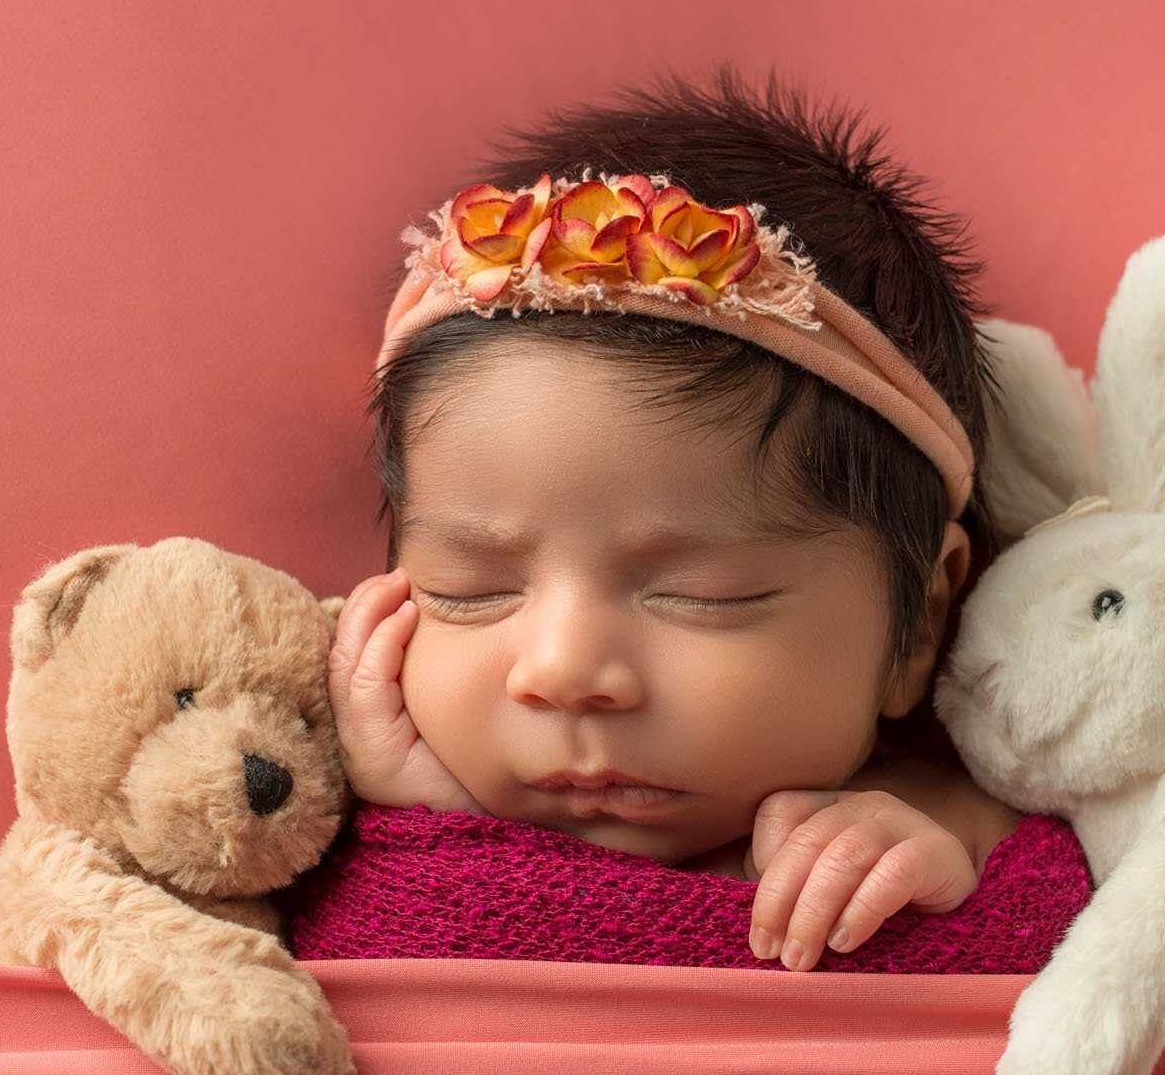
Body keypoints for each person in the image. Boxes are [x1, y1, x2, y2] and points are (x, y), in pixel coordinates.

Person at [327, 66, 1029, 974]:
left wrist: (969, 853)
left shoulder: (943, 849)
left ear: (921, 618)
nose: (564, 671)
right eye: (474, 590)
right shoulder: (345, 835)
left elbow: (1087, 969)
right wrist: (423, 836)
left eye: (704, 594)